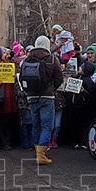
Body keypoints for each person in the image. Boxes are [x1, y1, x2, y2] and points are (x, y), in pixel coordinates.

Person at [22, 36, 63, 165]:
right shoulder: (51, 59)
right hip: (47, 97)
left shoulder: (27, 59)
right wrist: (51, 89)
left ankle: (37, 152)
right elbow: (59, 78)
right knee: (47, 126)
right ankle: (42, 155)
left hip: (31, 97)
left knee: (36, 125)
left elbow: (21, 77)